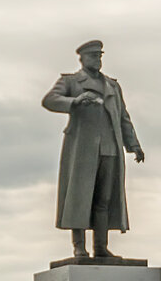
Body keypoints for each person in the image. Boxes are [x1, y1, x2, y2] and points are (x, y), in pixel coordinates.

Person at [42, 40, 144, 259]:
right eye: (92, 56)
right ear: (82, 59)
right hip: (83, 150)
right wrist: (75, 101)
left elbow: (123, 117)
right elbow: (49, 100)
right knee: (79, 197)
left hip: (110, 148)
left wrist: (133, 144)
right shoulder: (71, 81)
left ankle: (101, 246)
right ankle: (79, 247)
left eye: (99, 56)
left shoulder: (112, 86)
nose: (97, 60)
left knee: (103, 200)